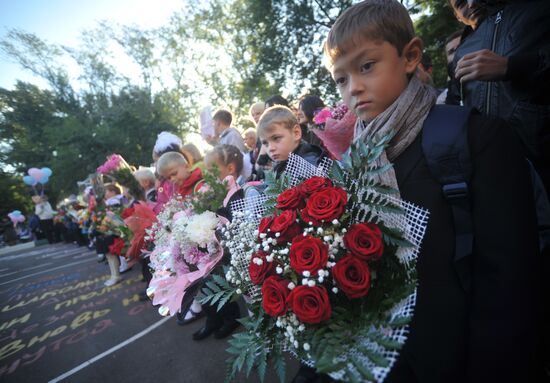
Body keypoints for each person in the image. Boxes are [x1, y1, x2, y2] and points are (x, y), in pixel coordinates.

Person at [323, 1, 541, 382]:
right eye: (341, 79)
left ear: (410, 57)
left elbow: (508, 289)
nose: (353, 87)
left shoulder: (477, 140)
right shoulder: (353, 168)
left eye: (366, 66)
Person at [448, 0, 550, 194]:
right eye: (460, 3)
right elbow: (456, 108)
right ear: (457, 16)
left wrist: (511, 66)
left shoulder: (537, 9)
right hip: (493, 173)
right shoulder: (463, 50)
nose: (471, 3)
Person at [190, 145, 245, 341]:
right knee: (204, 283)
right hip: (211, 250)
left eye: (212, 169)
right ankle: (213, 318)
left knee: (220, 285)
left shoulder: (237, 193)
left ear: (230, 169)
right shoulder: (211, 191)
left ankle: (231, 319)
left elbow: (233, 222)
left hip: (228, 253)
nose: (208, 175)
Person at [257, 105, 324, 178]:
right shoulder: (282, 165)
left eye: (276, 138)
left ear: (296, 133)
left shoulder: (309, 166)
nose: (270, 148)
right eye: (265, 143)